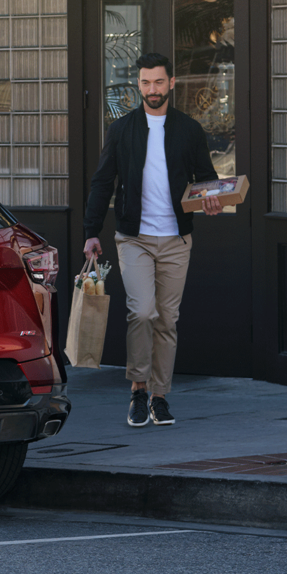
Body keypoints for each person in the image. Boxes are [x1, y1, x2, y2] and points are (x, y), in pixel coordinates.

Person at [82, 52, 223, 428]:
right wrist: (91, 231)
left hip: (176, 239)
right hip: (135, 238)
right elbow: (102, 183)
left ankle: (160, 396)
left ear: (171, 84)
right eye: (145, 82)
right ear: (139, 85)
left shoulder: (190, 129)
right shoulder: (122, 129)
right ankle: (137, 389)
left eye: (159, 82)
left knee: (167, 320)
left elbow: (206, 179)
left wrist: (210, 199)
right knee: (142, 311)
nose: (152, 89)